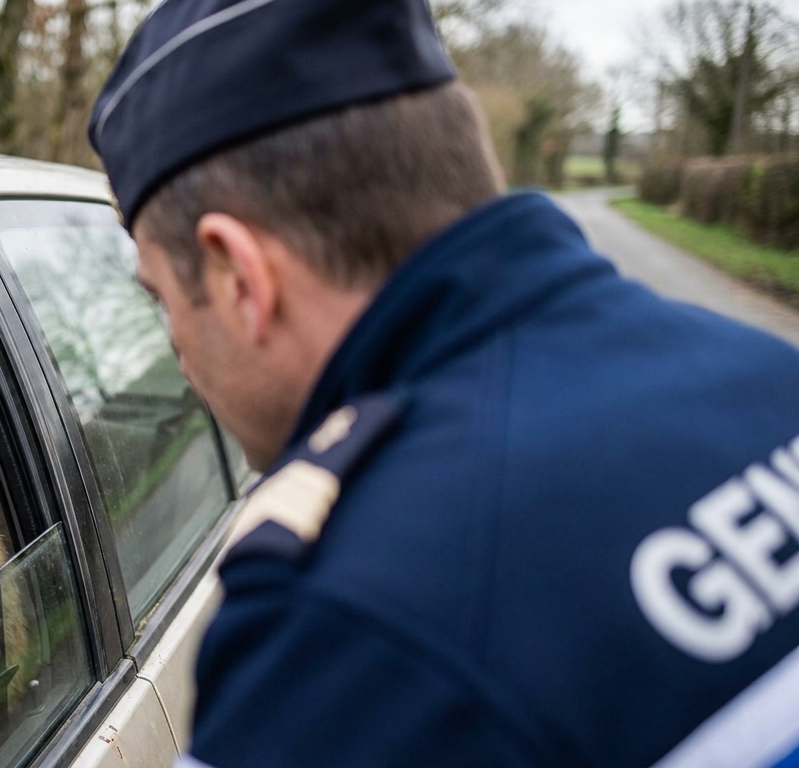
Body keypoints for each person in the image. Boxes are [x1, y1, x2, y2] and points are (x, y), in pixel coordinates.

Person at [87, 0, 799, 766]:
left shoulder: (346, 637)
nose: (176, 349)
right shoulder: (768, 372)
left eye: (161, 297)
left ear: (237, 275)